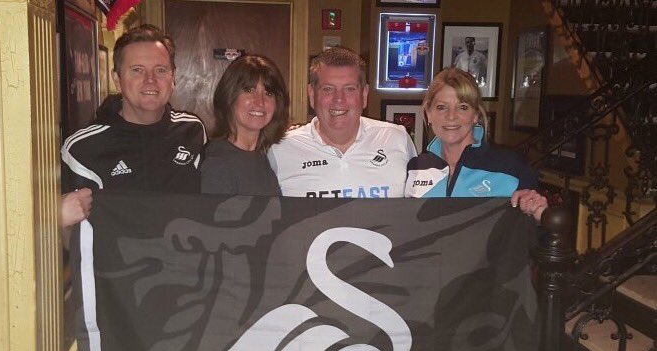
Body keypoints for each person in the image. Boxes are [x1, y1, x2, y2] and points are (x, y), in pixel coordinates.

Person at [60, 24, 207, 228]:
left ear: (173, 78)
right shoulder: (82, 148)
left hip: (186, 256)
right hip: (117, 260)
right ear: (117, 79)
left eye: (161, 70)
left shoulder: (193, 130)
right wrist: (53, 218)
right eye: (137, 70)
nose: (150, 80)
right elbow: (68, 239)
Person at [268, 47, 417, 198]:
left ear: (364, 94)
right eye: (327, 89)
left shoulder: (397, 139)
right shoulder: (280, 148)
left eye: (349, 89)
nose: (339, 99)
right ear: (312, 94)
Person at [405, 67, 547, 222]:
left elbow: (534, 228)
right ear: (428, 114)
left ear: (475, 115)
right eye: (441, 107)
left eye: (463, 107)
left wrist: (537, 211)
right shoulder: (415, 167)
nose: (451, 116)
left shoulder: (511, 166)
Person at [201, 55, 288, 195]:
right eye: (249, 90)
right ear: (229, 95)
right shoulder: (218, 165)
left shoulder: (261, 155)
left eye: (268, 93)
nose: (260, 102)